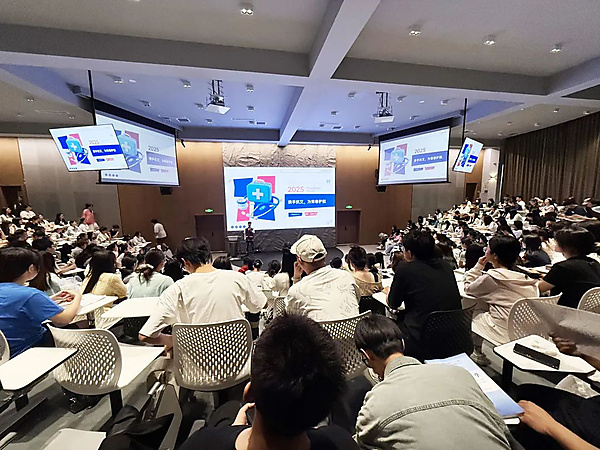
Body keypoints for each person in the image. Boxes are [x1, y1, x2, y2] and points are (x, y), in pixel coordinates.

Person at [181, 314, 356, 450]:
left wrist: (233, 430)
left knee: (228, 410)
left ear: (249, 393)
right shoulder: (341, 442)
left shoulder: (201, 443)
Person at [353, 315, 512, 450]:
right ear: (402, 344)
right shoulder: (459, 374)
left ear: (367, 356)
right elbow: (501, 427)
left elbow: (361, 441)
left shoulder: (376, 401)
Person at [139, 237, 266, 348]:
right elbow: (261, 304)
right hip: (238, 364)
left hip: (195, 367)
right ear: (208, 256)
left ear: (184, 262)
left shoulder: (176, 289)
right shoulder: (238, 278)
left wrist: (177, 341)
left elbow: (145, 336)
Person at [514, 335, 600, 450]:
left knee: (524, 420)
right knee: (526, 392)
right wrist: (581, 355)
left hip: (586, 440)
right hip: (592, 410)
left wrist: (549, 426)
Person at [464, 235, 539, 365]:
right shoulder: (525, 277)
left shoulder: (493, 277)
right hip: (527, 329)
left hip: (504, 330)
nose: (485, 249)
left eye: (488, 248)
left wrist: (478, 267)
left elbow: (468, 289)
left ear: (495, 256)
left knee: (472, 308)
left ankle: (476, 351)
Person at [387, 229, 462, 359]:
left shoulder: (405, 269)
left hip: (420, 338)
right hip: (453, 335)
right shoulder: (445, 266)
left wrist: (387, 292)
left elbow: (393, 303)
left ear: (409, 253)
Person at [0, 247, 81, 357]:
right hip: (30, 349)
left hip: (5, 354)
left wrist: (50, 299)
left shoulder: (25, 295)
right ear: (31, 268)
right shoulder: (30, 294)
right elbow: (64, 319)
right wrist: (77, 296)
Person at [286, 235, 359, 321]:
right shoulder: (346, 277)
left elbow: (290, 317)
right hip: (353, 329)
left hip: (316, 330)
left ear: (299, 261)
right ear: (325, 256)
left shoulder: (295, 290)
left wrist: (296, 279)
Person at [539, 226, 600, 308]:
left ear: (566, 246)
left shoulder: (562, 267)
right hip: (589, 312)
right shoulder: (595, 263)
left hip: (566, 311)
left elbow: (539, 288)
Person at [347, 246, 383, 314]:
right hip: (377, 315)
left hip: (358, 315)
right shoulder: (376, 276)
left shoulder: (350, 279)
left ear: (351, 262)